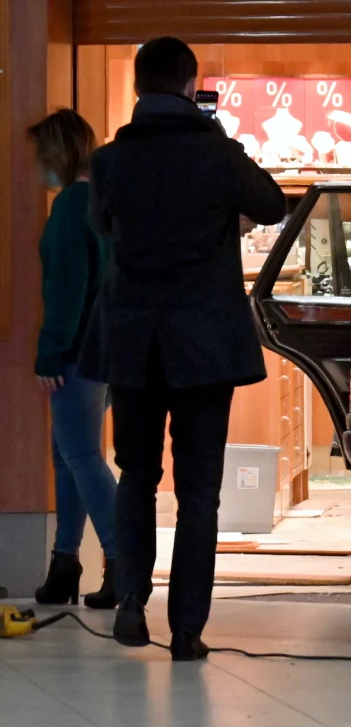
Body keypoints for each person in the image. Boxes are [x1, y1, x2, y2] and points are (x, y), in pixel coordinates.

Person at [79, 36, 287, 660]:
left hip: (135, 342)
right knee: (200, 489)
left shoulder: (111, 161)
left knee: (136, 474)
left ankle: (130, 606)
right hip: (204, 348)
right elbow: (273, 204)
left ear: (138, 89)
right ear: (189, 85)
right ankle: (189, 628)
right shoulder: (217, 155)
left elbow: (103, 227)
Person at [27, 109, 118, 610]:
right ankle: (65, 561)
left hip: (76, 351)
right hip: (105, 350)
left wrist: (48, 353)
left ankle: (122, 558)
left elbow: (66, 289)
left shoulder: (69, 209)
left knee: (80, 456)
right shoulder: (104, 203)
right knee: (69, 456)